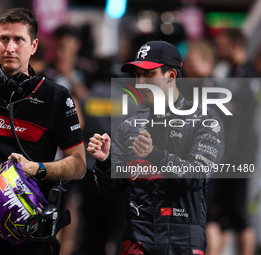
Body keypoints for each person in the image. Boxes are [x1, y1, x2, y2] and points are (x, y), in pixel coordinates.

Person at [0, 8, 86, 255]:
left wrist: (37, 168)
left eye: (18, 40)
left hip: (28, 233)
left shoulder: (55, 97)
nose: (9, 47)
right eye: (4, 38)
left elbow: (79, 165)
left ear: (34, 46)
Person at [87, 40, 225, 254]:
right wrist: (105, 162)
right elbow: (111, 192)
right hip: (137, 241)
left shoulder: (205, 120)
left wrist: (155, 155)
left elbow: (198, 176)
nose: (140, 83)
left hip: (183, 242)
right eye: (137, 75)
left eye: (148, 74)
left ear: (171, 75)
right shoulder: (129, 125)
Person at [206, 28, 258, 255]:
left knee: (238, 213)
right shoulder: (228, 73)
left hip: (242, 154)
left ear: (236, 45)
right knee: (218, 211)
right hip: (223, 153)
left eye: (223, 45)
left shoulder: (251, 75)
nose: (219, 50)